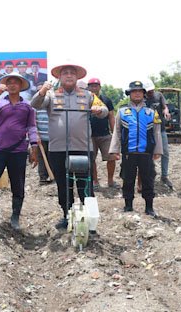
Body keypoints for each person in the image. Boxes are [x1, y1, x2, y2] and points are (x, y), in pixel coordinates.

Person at [31, 63, 108, 229]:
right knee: (63, 184)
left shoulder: (87, 95)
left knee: (84, 184)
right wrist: (42, 90)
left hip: (82, 147)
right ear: (59, 76)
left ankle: (88, 220)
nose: (69, 75)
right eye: (65, 73)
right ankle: (67, 215)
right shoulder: (51, 95)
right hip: (58, 148)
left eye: (72, 73)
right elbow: (35, 104)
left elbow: (105, 110)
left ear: (77, 77)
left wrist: (98, 109)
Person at [0, 72, 38, 231]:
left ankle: (15, 217)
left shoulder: (27, 106)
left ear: (20, 86)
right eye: (9, 82)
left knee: (18, 185)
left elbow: (32, 127)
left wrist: (34, 148)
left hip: (18, 151)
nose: (12, 85)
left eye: (15, 82)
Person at [109, 81, 163, 217]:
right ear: (130, 94)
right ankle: (128, 206)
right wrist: (115, 149)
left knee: (148, 179)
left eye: (140, 91)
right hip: (129, 153)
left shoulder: (151, 113)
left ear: (144, 94)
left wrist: (157, 151)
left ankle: (149, 207)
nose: (137, 93)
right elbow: (117, 132)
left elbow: (157, 132)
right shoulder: (122, 112)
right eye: (134, 91)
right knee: (127, 179)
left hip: (146, 153)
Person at [87, 77, 118, 188]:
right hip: (90, 135)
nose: (93, 88)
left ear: (99, 87)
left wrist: (114, 133)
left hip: (105, 134)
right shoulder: (84, 100)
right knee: (91, 159)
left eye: (96, 86)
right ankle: (95, 181)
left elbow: (111, 117)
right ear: (88, 87)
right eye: (91, 86)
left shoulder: (106, 100)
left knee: (111, 157)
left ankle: (110, 180)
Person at [144, 80, 173, 189]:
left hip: (160, 129)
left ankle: (164, 176)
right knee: (149, 153)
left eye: (151, 91)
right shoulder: (142, 99)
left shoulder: (159, 96)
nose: (150, 93)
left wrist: (166, 111)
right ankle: (150, 174)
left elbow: (164, 106)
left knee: (165, 152)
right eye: (148, 92)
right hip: (148, 130)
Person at [35, 82, 52, 184]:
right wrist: (36, 135)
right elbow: (33, 122)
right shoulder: (35, 105)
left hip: (53, 137)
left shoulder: (51, 103)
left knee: (52, 157)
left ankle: (53, 176)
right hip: (41, 137)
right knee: (42, 157)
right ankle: (43, 177)